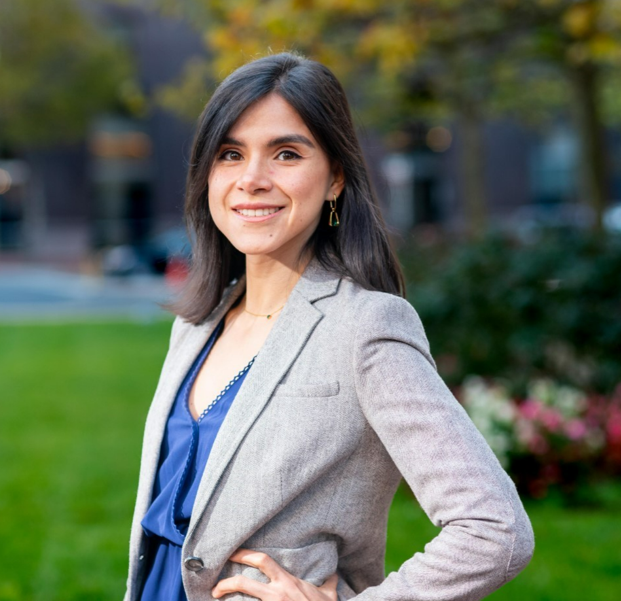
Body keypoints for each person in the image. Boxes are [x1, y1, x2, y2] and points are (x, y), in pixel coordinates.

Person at [124, 52, 534, 601]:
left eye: (286, 154)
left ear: (335, 177)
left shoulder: (367, 327)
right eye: (230, 154)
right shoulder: (198, 325)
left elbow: (494, 530)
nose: (252, 179)